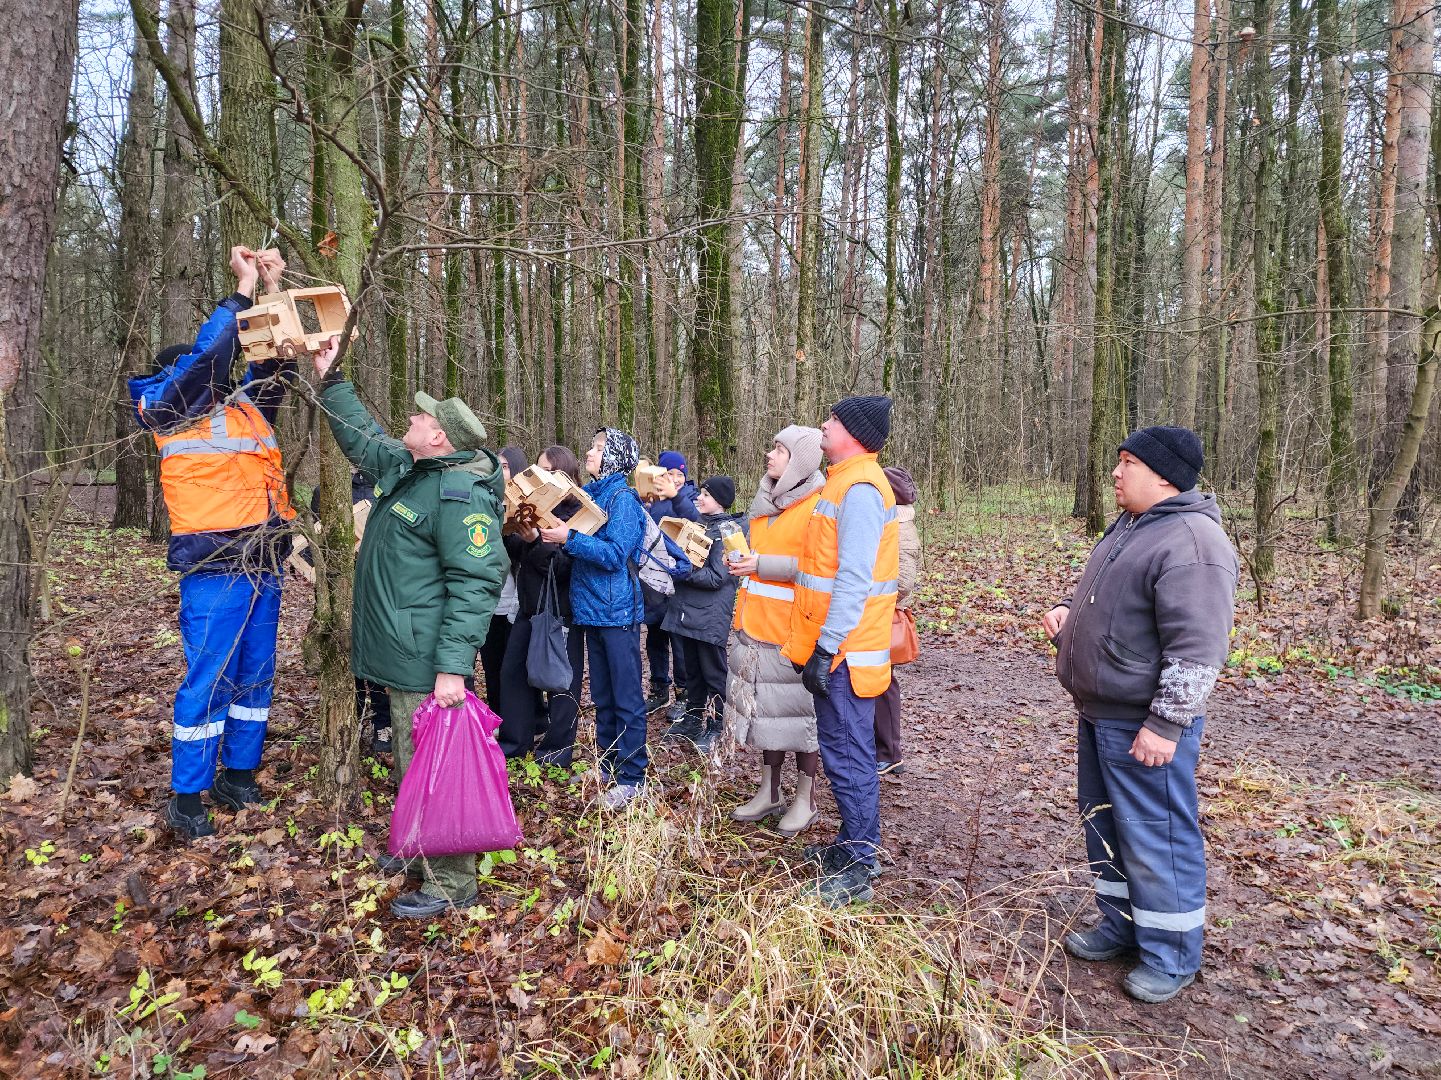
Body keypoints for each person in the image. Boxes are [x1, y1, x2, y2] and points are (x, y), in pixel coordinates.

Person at [311, 339, 507, 919]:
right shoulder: (410, 470)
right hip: (401, 648)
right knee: (411, 759)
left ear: (440, 436)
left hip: (427, 657)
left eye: (420, 417)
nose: (411, 420)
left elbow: (476, 584)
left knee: (438, 764)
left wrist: (452, 667)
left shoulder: (458, 493)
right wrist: (330, 376)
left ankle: (452, 883)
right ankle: (420, 848)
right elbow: (360, 434)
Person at [1042, 426, 1237, 1004]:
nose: (1116, 473)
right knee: (1106, 824)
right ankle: (1122, 924)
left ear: (1164, 476)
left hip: (1143, 724)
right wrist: (1068, 627)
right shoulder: (1133, 526)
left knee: (1158, 835)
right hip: (1103, 713)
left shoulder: (1194, 543)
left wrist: (1165, 724)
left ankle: (1171, 953)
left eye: (1127, 463)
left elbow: (1198, 648)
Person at [129, 246, 295, 841]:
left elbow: (275, 369)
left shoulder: (243, 411)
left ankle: (240, 776)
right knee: (210, 676)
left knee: (255, 676)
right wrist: (242, 290)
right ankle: (188, 796)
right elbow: (210, 356)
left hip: (261, 564)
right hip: (214, 566)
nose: (217, 379)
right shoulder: (163, 404)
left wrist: (273, 293)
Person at [782, 395, 899, 907]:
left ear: (852, 431)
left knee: (850, 758)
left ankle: (861, 862)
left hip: (847, 656)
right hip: (837, 651)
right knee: (839, 753)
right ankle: (850, 844)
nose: (823, 426)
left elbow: (852, 578)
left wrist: (824, 648)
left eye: (831, 420)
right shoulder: (844, 480)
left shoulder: (861, 489)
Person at [539, 429, 648, 809]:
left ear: (616, 457)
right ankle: (607, 765)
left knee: (626, 696)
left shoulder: (623, 500)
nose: (590, 451)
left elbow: (616, 554)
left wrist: (569, 538)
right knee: (602, 695)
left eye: (599, 447)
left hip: (617, 612)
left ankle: (634, 777)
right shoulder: (594, 496)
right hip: (592, 611)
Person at [726, 426, 826, 835]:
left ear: (799, 461)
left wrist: (761, 565)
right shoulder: (765, 502)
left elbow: (817, 569)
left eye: (779, 451)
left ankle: (805, 797)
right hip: (755, 625)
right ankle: (769, 791)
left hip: (793, 631)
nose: (770, 456)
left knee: (800, 717)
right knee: (767, 713)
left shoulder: (818, 506)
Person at [496, 445, 587, 765]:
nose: (539, 476)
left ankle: (557, 751)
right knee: (513, 675)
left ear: (563, 474)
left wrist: (535, 541)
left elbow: (563, 566)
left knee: (561, 682)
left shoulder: (577, 513)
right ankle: (514, 743)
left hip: (561, 611)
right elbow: (516, 549)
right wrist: (518, 532)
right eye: (536, 470)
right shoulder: (532, 505)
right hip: (529, 607)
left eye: (546, 471)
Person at [661, 476, 744, 752]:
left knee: (713, 672)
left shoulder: (728, 532)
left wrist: (684, 571)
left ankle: (718, 724)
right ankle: (694, 718)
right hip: (689, 613)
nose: (699, 498)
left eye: (705, 495)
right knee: (693, 671)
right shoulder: (700, 525)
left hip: (709, 617)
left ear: (719, 500)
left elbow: (718, 577)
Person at [873, 465, 921, 777]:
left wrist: (875, 596)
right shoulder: (890, 522)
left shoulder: (901, 527)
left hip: (883, 613)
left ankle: (890, 752)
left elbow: (904, 578)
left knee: (883, 683)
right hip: (877, 610)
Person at [480, 446, 528, 709]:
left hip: (516, 601)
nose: (500, 471)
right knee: (491, 664)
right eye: (496, 466)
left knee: (515, 668)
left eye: (506, 466)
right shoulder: (484, 500)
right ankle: (496, 716)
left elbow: (527, 551)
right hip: (489, 601)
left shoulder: (527, 505)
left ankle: (524, 720)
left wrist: (510, 530)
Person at [641, 467, 686, 714]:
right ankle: (659, 688)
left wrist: (676, 497)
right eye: (669, 474)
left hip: (678, 584)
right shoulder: (652, 503)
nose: (675, 479)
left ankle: (683, 692)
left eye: (679, 474)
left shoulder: (689, 498)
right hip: (654, 584)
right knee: (655, 638)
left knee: (678, 642)